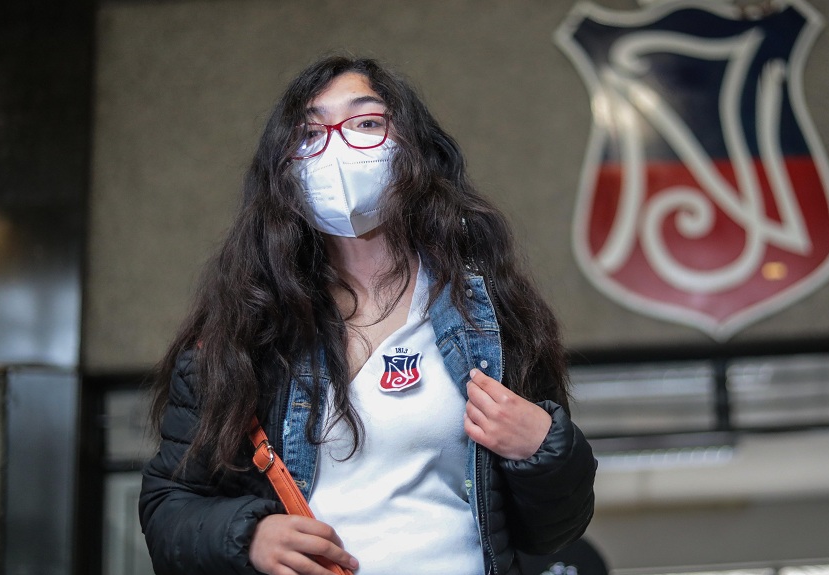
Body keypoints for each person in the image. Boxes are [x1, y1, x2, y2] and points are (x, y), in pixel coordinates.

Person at [139, 55, 597, 575]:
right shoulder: (244, 333)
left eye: (366, 123)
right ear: (283, 169)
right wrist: (248, 538)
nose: (335, 150)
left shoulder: (491, 319)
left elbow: (554, 530)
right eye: (310, 134)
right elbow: (167, 509)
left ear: (414, 152)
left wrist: (543, 448)